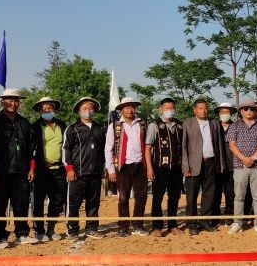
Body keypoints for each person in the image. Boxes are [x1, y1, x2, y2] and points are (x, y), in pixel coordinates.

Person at [0, 88, 38, 248]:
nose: (13, 103)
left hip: (21, 171)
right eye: (9, 100)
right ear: (2, 102)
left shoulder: (24, 122)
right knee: (0, 205)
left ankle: (22, 234)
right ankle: (0, 236)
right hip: (1, 171)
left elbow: (32, 148)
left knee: (21, 203)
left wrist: (31, 168)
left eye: (16, 100)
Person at [181, 98, 227, 235]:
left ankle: (205, 221)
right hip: (193, 165)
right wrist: (185, 167)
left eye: (205, 107)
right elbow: (183, 146)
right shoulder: (188, 124)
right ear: (194, 110)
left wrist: (221, 164)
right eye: (200, 108)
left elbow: (219, 145)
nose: (203, 110)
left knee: (209, 194)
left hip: (211, 163)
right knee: (191, 196)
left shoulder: (214, 123)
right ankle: (192, 224)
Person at [105, 97, 149, 237]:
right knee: (123, 198)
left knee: (141, 197)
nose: (130, 110)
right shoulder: (114, 126)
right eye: (126, 107)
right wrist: (111, 169)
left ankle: (138, 225)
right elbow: (108, 148)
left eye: (132, 107)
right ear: (121, 109)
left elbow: (148, 146)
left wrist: (149, 165)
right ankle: (123, 227)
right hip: (123, 166)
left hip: (140, 164)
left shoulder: (142, 124)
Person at [63, 97, 106, 241]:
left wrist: (104, 166)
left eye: (91, 108)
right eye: (85, 109)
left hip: (95, 173)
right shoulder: (72, 128)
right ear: (79, 111)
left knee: (93, 203)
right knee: (74, 203)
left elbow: (104, 150)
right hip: (77, 173)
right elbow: (66, 149)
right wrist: (69, 168)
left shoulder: (100, 128)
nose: (88, 111)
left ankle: (91, 228)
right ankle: (72, 230)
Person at [226, 99, 257, 235]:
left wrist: (253, 158)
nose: (249, 111)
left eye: (251, 109)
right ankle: (237, 222)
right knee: (239, 196)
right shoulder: (234, 126)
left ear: (256, 111)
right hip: (240, 165)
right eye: (246, 109)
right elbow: (232, 144)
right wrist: (244, 159)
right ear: (241, 111)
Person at [30, 96, 68, 242]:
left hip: (59, 169)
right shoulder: (34, 127)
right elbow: (31, 149)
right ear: (39, 111)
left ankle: (51, 229)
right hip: (41, 169)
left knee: (57, 200)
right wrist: (33, 167)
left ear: (54, 109)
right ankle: (39, 231)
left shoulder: (62, 125)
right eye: (44, 109)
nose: (47, 111)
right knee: (38, 201)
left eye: (50, 108)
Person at [146, 98, 184, 237]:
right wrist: (149, 168)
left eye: (172, 107)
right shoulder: (154, 125)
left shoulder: (179, 125)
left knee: (174, 197)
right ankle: (157, 226)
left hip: (176, 168)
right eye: (167, 108)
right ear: (161, 108)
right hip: (159, 168)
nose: (170, 110)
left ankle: (173, 225)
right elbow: (148, 147)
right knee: (157, 197)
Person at [214, 103, 237, 222]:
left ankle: (229, 214)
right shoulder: (214, 127)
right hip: (217, 165)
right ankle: (216, 216)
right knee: (216, 191)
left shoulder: (236, 127)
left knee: (230, 192)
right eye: (222, 112)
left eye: (227, 112)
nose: (224, 115)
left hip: (232, 164)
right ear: (218, 114)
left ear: (231, 114)